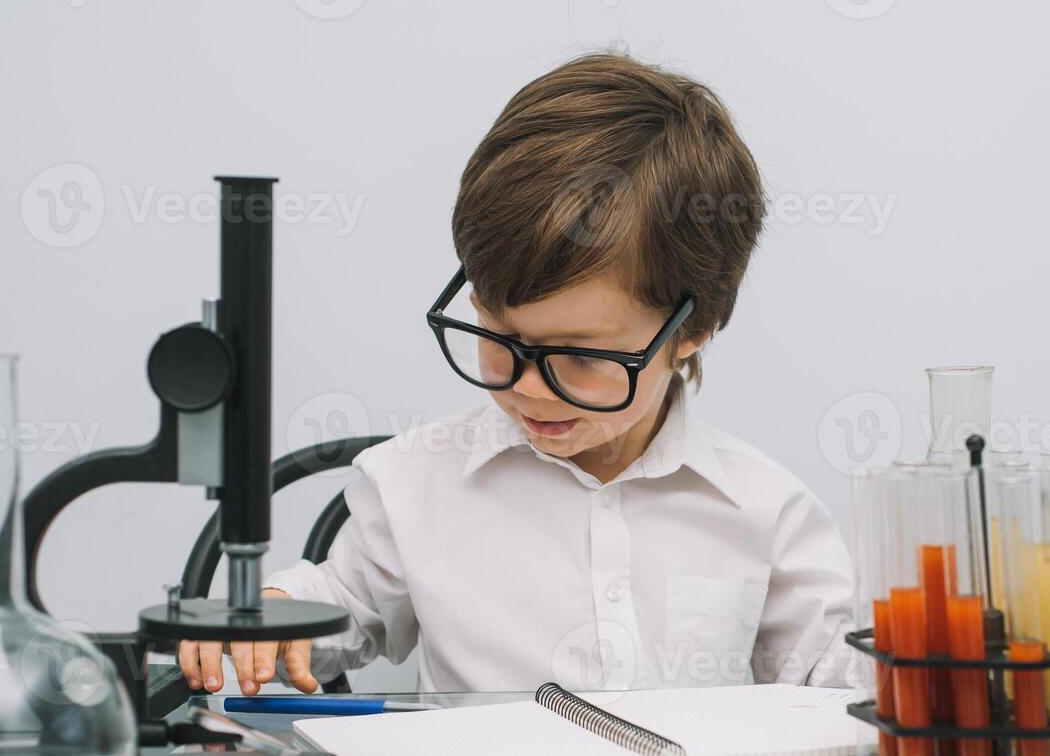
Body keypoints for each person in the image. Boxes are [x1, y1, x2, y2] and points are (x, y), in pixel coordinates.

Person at [178, 52, 857, 697]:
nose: (528, 387)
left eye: (583, 356)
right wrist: (271, 613)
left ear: (695, 329)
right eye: (498, 336)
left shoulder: (768, 514)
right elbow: (345, 602)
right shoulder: (417, 483)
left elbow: (835, 696)